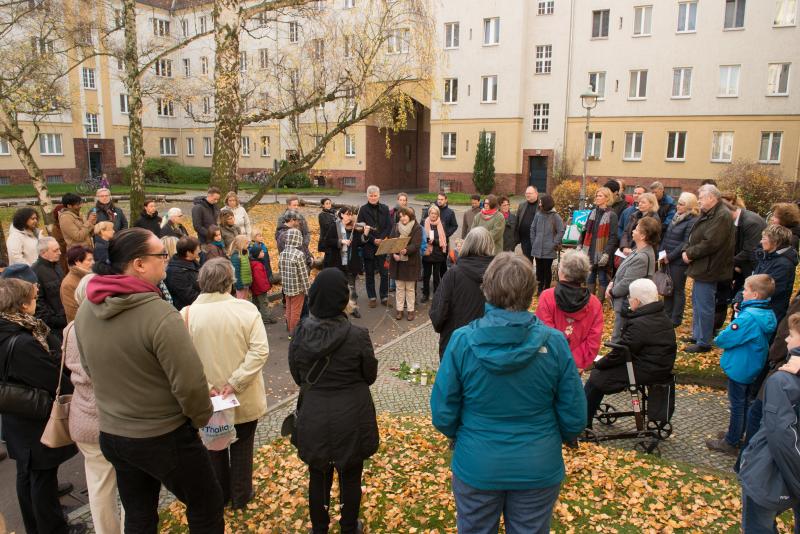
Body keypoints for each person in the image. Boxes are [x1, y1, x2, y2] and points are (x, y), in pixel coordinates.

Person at [75, 227, 223, 533]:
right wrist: (199, 419)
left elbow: (90, 369)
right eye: (161, 256)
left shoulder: (88, 308)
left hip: (114, 434)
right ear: (138, 264)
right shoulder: (159, 315)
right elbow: (190, 384)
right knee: (207, 506)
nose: (166, 262)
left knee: (139, 513)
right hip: (162, 435)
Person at [431, 253, 586, 533]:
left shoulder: (462, 342)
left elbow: (443, 412)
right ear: (531, 292)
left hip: (478, 462)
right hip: (537, 464)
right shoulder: (554, 343)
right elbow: (574, 415)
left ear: (487, 289)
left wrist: (463, 434)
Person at [289, 268, 379, 534]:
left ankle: (320, 527)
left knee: (319, 475)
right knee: (351, 475)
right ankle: (349, 526)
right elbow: (369, 375)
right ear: (343, 299)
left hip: (315, 414)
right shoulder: (358, 335)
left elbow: (298, 376)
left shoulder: (301, 335)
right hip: (351, 415)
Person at [181, 258, 269, 510]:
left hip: (207, 397)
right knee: (242, 444)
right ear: (229, 282)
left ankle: (220, 493)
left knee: (213, 446)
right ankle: (241, 494)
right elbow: (260, 351)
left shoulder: (186, 315)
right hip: (242, 395)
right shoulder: (246, 310)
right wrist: (236, 382)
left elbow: (181, 359)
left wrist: (206, 384)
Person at [0, 278, 86, 534]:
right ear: (23, 305)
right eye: (33, 299)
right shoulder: (22, 342)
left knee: (28, 476)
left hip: (17, 417)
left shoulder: (9, 331)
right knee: (41, 478)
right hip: (33, 419)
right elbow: (52, 378)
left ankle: (36, 526)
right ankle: (53, 528)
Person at [65, 273, 124, 534]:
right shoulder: (108, 326)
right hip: (110, 416)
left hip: (81, 415)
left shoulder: (69, 330)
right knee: (128, 482)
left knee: (99, 484)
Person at [584, 278, 676, 429]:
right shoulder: (661, 316)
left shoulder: (640, 323)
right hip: (659, 366)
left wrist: (599, 363)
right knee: (600, 373)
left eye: (630, 298)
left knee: (596, 377)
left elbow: (621, 353)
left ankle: (583, 420)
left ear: (637, 301)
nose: (628, 301)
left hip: (646, 369)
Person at [738, 314, 800, 531]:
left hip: (772, 472)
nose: (786, 340)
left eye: (791, 336)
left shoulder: (782, 381)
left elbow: (782, 435)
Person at [706, 274, 777, 454]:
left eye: (745, 290)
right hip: (753, 363)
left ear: (755, 295)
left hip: (740, 366)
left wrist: (720, 336)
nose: (743, 293)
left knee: (737, 404)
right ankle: (737, 432)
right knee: (744, 402)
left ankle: (731, 441)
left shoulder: (748, 318)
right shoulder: (767, 313)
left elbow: (725, 339)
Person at [682, 184, 736, 353]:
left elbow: (711, 242)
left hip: (710, 267)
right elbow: (694, 235)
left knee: (705, 305)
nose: (699, 201)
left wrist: (689, 253)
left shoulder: (721, 216)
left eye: (701, 197)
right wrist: (687, 249)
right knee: (698, 303)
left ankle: (704, 341)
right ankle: (697, 335)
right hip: (703, 266)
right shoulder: (710, 213)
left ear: (712, 198)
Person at [429, 227, 494, 359]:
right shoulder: (499, 274)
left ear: (467, 245)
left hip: (455, 344)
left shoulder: (453, 274)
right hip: (487, 346)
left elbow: (438, 313)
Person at [536, 249, 603, 373]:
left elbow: (543, 334)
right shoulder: (595, 303)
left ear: (562, 272)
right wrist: (575, 362)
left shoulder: (547, 297)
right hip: (576, 366)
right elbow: (593, 340)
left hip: (550, 364)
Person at [607, 217, 659, 342]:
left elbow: (628, 282)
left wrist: (612, 292)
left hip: (628, 304)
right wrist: (612, 282)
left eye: (636, 229)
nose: (633, 231)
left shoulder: (643, 257)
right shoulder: (638, 250)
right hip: (624, 301)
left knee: (619, 336)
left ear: (643, 236)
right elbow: (622, 270)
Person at [737, 225, 798, 326]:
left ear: (775, 241)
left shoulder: (783, 264)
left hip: (768, 315)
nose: (761, 242)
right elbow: (752, 280)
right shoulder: (768, 256)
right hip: (756, 310)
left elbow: (767, 292)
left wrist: (743, 301)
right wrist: (739, 298)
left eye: (764, 238)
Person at [659, 192, 699, 327]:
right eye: (678, 203)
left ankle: (676, 318)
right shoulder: (676, 217)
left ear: (689, 206)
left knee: (677, 290)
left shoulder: (692, 220)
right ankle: (666, 314)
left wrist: (669, 257)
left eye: (682, 204)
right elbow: (667, 236)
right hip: (667, 258)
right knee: (667, 288)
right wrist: (662, 253)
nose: (678, 206)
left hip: (678, 262)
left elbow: (685, 242)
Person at [320, 206, 365, 319]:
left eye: (351, 214)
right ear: (341, 215)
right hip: (337, 262)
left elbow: (360, 243)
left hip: (351, 262)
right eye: (348, 214)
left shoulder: (354, 227)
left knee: (352, 288)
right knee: (339, 287)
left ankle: (353, 308)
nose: (350, 216)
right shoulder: (334, 226)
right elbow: (327, 241)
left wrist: (366, 234)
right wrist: (341, 241)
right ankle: (338, 309)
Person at [724, 192, 767, 304]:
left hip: (753, 269)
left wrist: (729, 263)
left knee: (744, 301)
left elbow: (749, 250)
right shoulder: (738, 220)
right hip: (743, 267)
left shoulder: (751, 222)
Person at [578, 187, 619, 301]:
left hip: (602, 251)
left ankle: (599, 303)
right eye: (596, 195)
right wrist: (580, 244)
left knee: (602, 278)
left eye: (600, 196)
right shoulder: (593, 212)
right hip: (590, 251)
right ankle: (590, 301)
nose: (597, 198)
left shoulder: (612, 215)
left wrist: (606, 254)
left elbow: (613, 237)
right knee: (589, 277)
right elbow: (585, 230)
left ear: (607, 198)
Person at [357, 185, 392, 308]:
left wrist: (382, 239)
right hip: (369, 246)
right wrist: (373, 240)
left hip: (383, 245)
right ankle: (372, 297)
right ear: (367, 196)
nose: (373, 197)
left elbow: (389, 225)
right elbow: (361, 227)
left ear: (379, 195)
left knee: (384, 273)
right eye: (371, 195)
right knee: (370, 273)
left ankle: (384, 296)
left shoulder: (385, 208)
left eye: (375, 195)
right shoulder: (362, 210)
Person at [388, 207, 422, 321]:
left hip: (411, 262)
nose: (402, 218)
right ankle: (399, 310)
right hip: (398, 263)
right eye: (400, 216)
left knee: (410, 289)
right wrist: (394, 254)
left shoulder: (417, 227)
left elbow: (416, 245)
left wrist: (406, 250)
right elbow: (391, 242)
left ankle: (411, 311)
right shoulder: (396, 227)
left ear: (410, 215)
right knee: (399, 288)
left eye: (405, 215)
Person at [31, 236, 67, 338]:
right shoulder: (35, 272)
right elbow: (38, 303)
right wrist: (56, 321)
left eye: (59, 249)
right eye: (55, 250)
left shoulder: (57, 265)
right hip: (55, 328)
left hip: (66, 317)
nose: (60, 252)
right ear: (43, 253)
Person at [529, 193, 565, 295]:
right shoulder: (538, 214)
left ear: (546, 203)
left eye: (541, 202)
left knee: (547, 270)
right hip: (537, 247)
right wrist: (534, 241)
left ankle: (547, 289)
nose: (539, 204)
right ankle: (539, 288)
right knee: (539, 269)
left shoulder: (555, 216)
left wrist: (554, 243)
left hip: (549, 249)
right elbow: (532, 228)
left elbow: (561, 230)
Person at [280, 228, 311, 334]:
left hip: (286, 287)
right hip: (297, 289)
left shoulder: (282, 253)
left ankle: (289, 329)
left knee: (288, 309)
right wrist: (308, 290)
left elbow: (281, 270)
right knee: (296, 312)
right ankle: (294, 333)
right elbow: (303, 275)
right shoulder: (299, 255)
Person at [165, 236, 202, 310]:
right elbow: (189, 296)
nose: (200, 251)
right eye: (197, 249)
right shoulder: (175, 272)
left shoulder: (192, 261)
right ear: (189, 253)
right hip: (189, 310)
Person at [421, 205, 448, 304]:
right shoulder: (424, 222)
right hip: (427, 253)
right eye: (431, 213)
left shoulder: (442, 223)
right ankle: (425, 294)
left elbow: (443, 239)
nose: (433, 215)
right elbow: (420, 236)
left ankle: (437, 294)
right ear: (429, 213)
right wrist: (426, 240)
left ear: (438, 214)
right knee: (426, 275)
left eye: (435, 213)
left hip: (438, 254)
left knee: (436, 276)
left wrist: (435, 241)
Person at [60, 246, 94, 323]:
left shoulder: (92, 275)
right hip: (84, 326)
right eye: (89, 260)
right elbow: (72, 314)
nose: (93, 262)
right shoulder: (68, 284)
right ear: (77, 262)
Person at [248, 243, 276, 324]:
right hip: (260, 289)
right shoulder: (257, 265)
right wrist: (265, 288)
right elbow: (260, 280)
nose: (263, 252)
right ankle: (266, 318)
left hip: (256, 288)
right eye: (261, 252)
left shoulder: (255, 263)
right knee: (264, 303)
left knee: (256, 302)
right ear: (257, 254)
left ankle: (254, 316)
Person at [515, 186, 540, 261]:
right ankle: (529, 272)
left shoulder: (542, 205)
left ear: (536, 194)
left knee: (539, 261)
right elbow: (517, 220)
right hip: (525, 238)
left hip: (537, 238)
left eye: (530, 193)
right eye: (526, 193)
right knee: (527, 260)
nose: (527, 195)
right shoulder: (522, 205)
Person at [229, 234, 253, 300]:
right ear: (241, 244)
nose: (248, 245)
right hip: (241, 284)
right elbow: (236, 272)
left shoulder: (245, 253)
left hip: (246, 282)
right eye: (246, 244)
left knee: (245, 299)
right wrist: (239, 285)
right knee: (241, 299)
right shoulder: (236, 257)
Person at [318, 198, 338, 267]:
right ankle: (325, 271)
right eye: (327, 203)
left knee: (333, 256)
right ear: (323, 205)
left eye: (329, 203)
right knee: (328, 257)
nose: (329, 205)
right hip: (326, 239)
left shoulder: (334, 212)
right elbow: (326, 226)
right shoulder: (322, 215)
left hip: (334, 239)